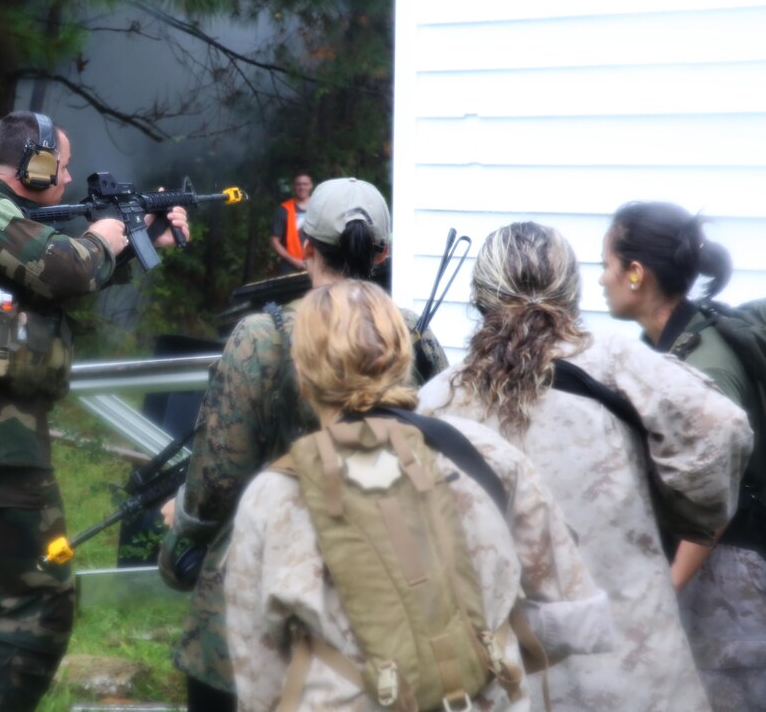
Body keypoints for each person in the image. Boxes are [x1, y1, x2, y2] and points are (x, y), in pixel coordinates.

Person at [225, 279, 612, 711]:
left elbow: (258, 672)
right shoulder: (484, 454)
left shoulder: (273, 496)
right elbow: (567, 615)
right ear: (402, 359)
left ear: (303, 375)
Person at [0, 110, 189, 711]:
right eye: (59, 164)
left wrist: (137, 240)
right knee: (41, 599)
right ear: (34, 162)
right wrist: (108, 232)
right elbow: (64, 265)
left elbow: (47, 279)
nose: (66, 177)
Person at [417, 221, 753, 712]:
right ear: (569, 290)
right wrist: (680, 516)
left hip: (505, 675)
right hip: (630, 668)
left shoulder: (438, 399)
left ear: (480, 296)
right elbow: (721, 427)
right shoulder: (620, 365)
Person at [161, 178, 449, 710]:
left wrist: (183, 531)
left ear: (307, 249)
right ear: (381, 253)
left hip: (260, 594)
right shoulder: (414, 335)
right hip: (388, 586)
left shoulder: (261, 336)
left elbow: (219, 479)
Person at [601, 200, 766, 710]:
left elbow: (713, 498)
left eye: (605, 265)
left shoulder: (703, 367)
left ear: (635, 273)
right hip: (709, 571)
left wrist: (663, 592)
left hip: (728, 582)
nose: (600, 280)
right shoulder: (667, 350)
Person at [269, 172, 314, 274]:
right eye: (298, 184)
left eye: (305, 184)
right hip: (291, 266)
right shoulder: (284, 209)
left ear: (311, 185)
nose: (302, 187)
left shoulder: (319, 207)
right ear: (293, 186)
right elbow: (274, 241)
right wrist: (293, 260)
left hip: (317, 265)